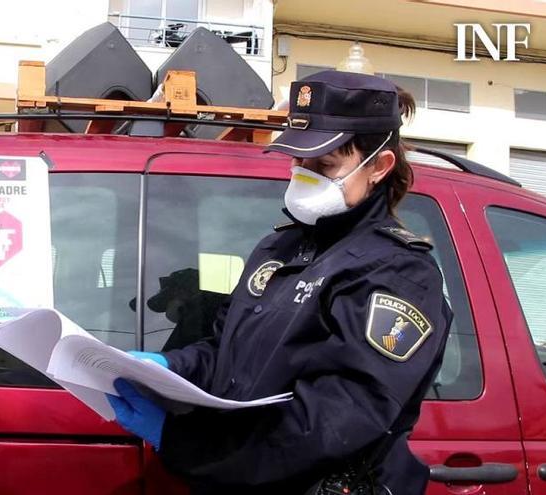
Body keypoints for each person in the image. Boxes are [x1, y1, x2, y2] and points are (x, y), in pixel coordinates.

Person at [106, 70, 453, 494]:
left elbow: (333, 421)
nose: (303, 174)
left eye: (324, 164)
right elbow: (225, 352)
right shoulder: (280, 248)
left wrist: (185, 444)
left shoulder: (396, 272)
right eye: (298, 160)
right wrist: (167, 368)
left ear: (379, 166)